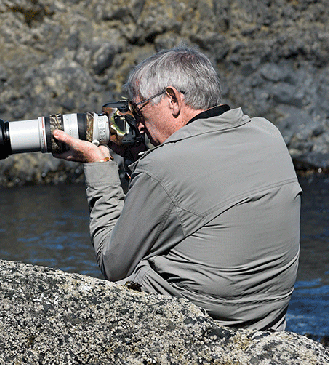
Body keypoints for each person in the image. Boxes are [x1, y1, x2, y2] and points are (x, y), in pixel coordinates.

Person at [52, 45, 300, 331]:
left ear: (172, 99)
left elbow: (113, 264)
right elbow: (193, 198)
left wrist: (99, 164)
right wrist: (135, 159)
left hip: (200, 326)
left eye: (139, 108)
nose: (138, 126)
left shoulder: (164, 166)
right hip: (265, 320)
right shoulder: (267, 133)